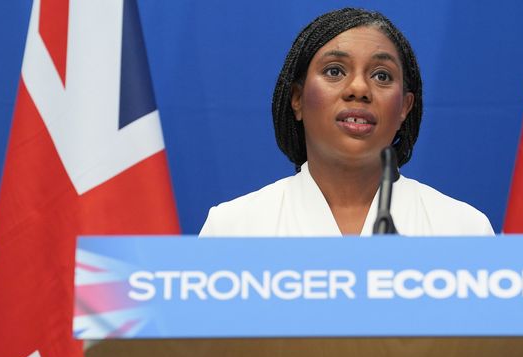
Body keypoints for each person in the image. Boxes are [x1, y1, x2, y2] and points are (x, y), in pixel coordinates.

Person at [200, 8, 494, 237]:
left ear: (404, 108)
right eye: (334, 71)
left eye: (381, 75)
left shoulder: (463, 230)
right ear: (297, 99)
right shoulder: (232, 229)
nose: (359, 88)